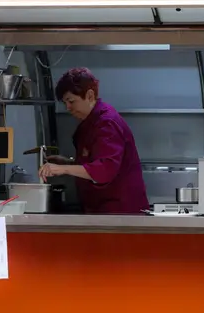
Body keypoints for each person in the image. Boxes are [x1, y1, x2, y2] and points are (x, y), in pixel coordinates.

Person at [39, 67, 150, 214]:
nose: (68, 108)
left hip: (120, 213)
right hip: (98, 209)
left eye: (71, 101)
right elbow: (93, 161)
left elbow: (105, 169)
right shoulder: (89, 123)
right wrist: (67, 163)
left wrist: (64, 169)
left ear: (90, 95)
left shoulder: (107, 123)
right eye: (65, 103)